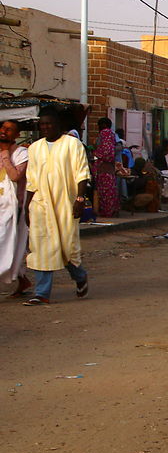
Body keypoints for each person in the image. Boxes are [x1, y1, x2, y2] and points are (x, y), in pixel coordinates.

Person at [22, 106, 90, 305]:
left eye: (49, 123)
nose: (45, 127)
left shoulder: (72, 144)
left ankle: (80, 277)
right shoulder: (35, 148)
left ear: (58, 124)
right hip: (40, 205)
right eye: (42, 124)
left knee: (65, 248)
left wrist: (79, 200)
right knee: (41, 246)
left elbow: (82, 173)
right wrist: (27, 206)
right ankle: (41, 293)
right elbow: (31, 180)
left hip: (65, 204)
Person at [0, 120, 31, 297]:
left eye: (9, 129)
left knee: (7, 243)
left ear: (17, 135)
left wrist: (5, 153)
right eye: (3, 128)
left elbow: (14, 176)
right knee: (8, 244)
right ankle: (22, 280)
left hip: (13, 208)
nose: (4, 131)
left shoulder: (21, 153)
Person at [92, 118, 120, 218]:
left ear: (103, 125)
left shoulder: (105, 133)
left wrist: (95, 153)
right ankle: (111, 211)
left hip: (104, 169)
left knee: (105, 192)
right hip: (108, 169)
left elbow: (107, 152)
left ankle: (106, 212)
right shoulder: (112, 134)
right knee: (110, 191)